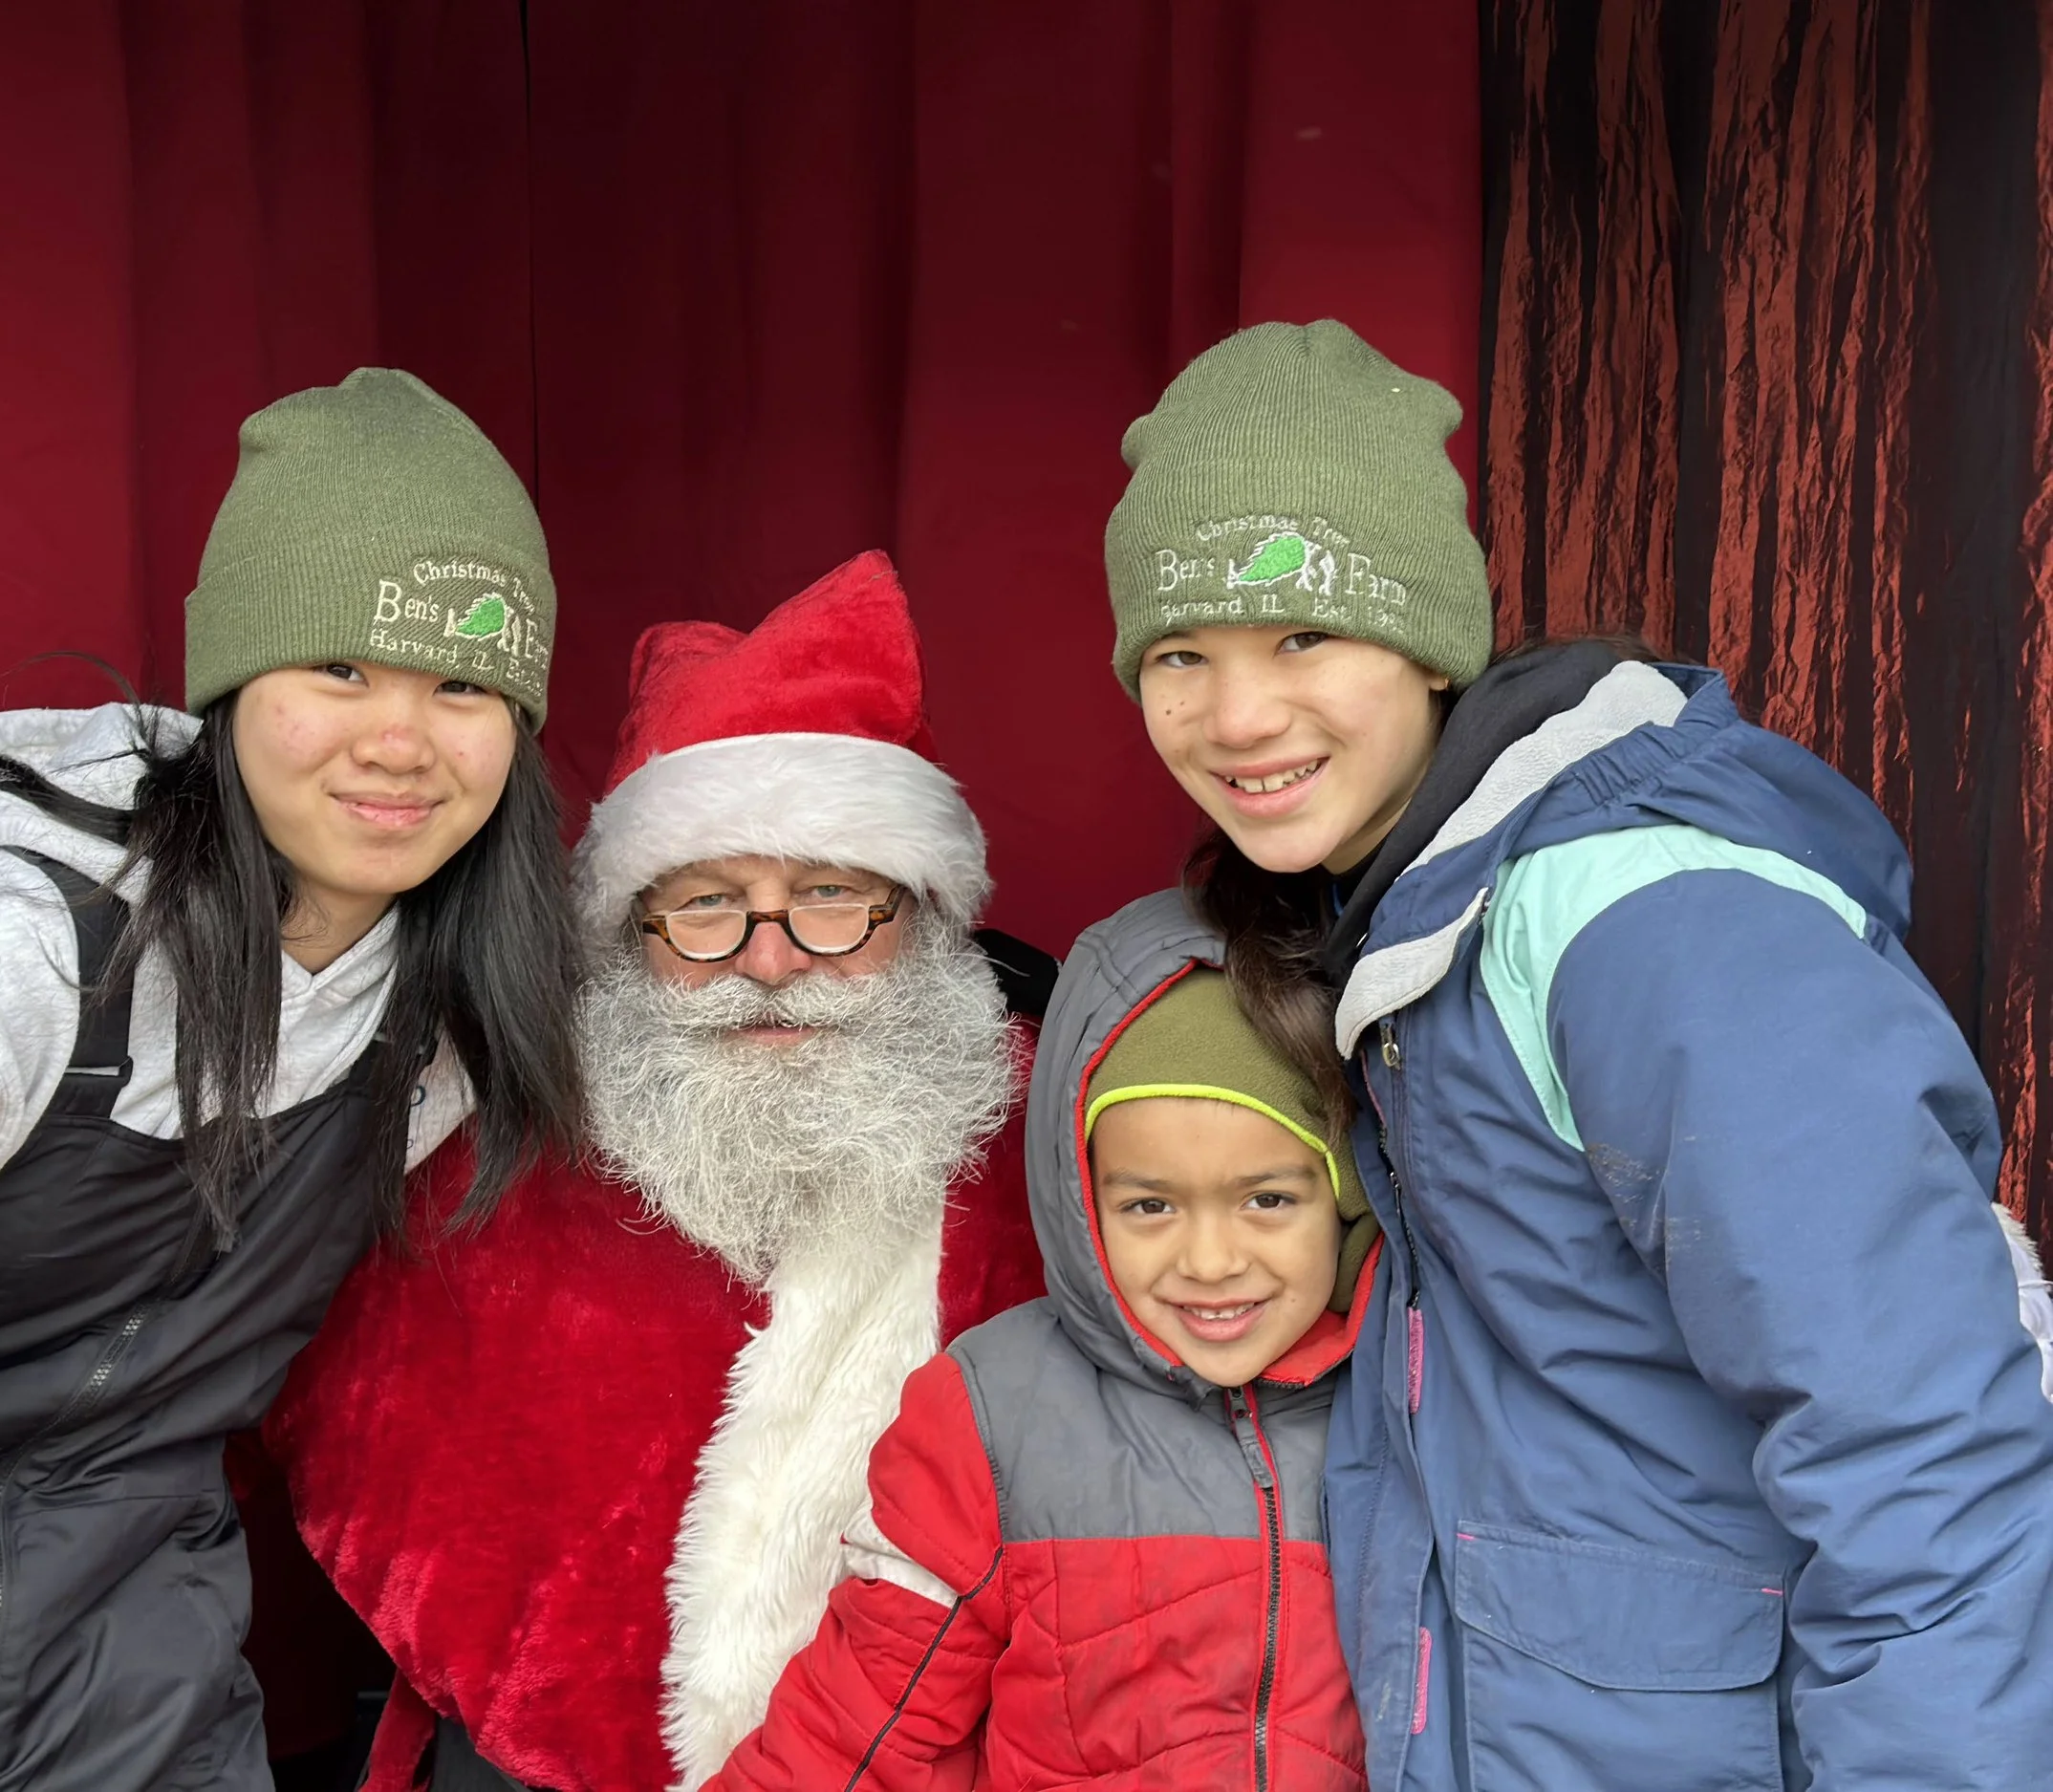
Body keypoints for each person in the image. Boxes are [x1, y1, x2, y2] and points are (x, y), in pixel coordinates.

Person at [1097, 318, 2053, 1788]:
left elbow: (1922, 1445)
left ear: (1427, 641)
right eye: (1181, 651)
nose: (1237, 715)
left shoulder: (1638, 914)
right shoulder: (1404, 927)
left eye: (1304, 632)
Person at [0, 369, 580, 1792]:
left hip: (143, 1696)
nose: (400, 739)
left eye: (462, 680)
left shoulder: (449, 1022)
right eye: (339, 666)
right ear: (234, 683)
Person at [263, 551, 1048, 1792]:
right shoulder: (489, 1150)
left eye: (833, 897)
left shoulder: (1043, 1130)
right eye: (705, 905)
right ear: (631, 932)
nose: (772, 958)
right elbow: (359, 1450)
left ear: (923, 912)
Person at [702, 954, 1379, 1790]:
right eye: (1150, 1205)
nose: (1211, 1259)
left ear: (1343, 1196)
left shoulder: (1410, 1391)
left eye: (1267, 1199)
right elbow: (865, 1726)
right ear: (1080, 1201)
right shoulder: (997, 1410)